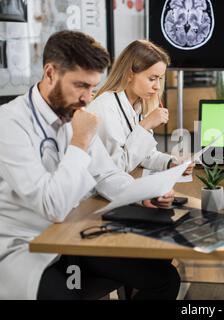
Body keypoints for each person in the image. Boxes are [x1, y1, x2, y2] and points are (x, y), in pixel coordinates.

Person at [0, 31, 180, 300]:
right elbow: (52, 206)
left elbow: (106, 173)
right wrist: (80, 141)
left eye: (93, 87)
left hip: (75, 237)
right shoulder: (10, 123)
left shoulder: (75, 113)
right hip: (29, 247)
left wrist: (144, 193)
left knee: (164, 278)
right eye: (80, 86)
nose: (87, 98)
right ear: (50, 73)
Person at [88, 40, 193, 175]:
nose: (158, 87)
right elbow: (117, 167)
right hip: (95, 193)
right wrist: (145, 125)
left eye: (160, 79)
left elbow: (143, 155)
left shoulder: (137, 105)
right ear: (130, 74)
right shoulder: (105, 106)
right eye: (152, 78)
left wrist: (170, 162)